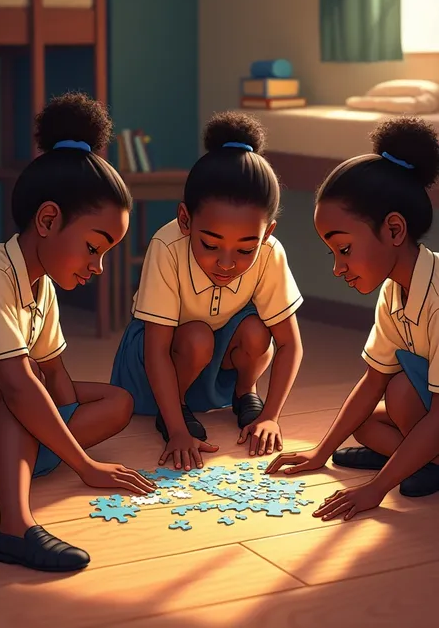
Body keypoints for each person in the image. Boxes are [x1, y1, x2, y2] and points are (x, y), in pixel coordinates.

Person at [0, 92, 155, 572]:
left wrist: (62, 416)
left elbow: (55, 372)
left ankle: (23, 455)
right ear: (48, 220)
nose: (98, 267)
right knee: (12, 386)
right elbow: (18, 382)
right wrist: (84, 465)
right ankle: (15, 528)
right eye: (94, 248)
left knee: (117, 400)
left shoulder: (41, 284)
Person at [266, 115, 439, 520]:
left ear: (394, 229)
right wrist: (320, 452)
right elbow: (372, 379)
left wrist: (376, 489)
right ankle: (420, 461)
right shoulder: (395, 290)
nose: (337, 267)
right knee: (370, 417)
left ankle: (423, 465)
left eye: (344, 250)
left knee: (399, 393)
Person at [111, 111, 304, 471]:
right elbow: (155, 350)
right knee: (199, 335)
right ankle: (174, 410)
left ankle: (244, 394)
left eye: (245, 249)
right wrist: (176, 429)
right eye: (211, 244)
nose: (226, 263)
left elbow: (290, 343)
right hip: (157, 364)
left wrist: (272, 417)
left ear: (268, 233)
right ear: (185, 220)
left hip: (216, 360)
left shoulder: (270, 253)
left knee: (257, 329)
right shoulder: (167, 246)